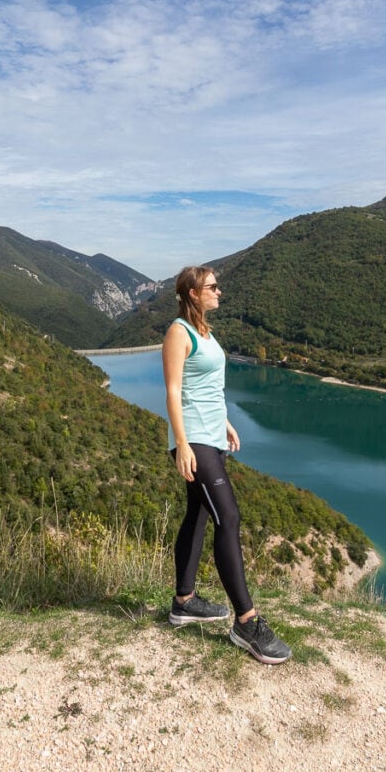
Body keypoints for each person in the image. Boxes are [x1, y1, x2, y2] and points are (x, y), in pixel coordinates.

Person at [162, 265, 291, 665]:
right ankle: (246, 622)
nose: (220, 291)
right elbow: (174, 390)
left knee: (197, 515)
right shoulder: (178, 333)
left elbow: (209, 390)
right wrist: (181, 444)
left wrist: (227, 422)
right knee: (229, 518)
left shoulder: (206, 333)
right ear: (193, 293)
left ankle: (184, 601)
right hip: (194, 440)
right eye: (213, 287)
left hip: (211, 435)